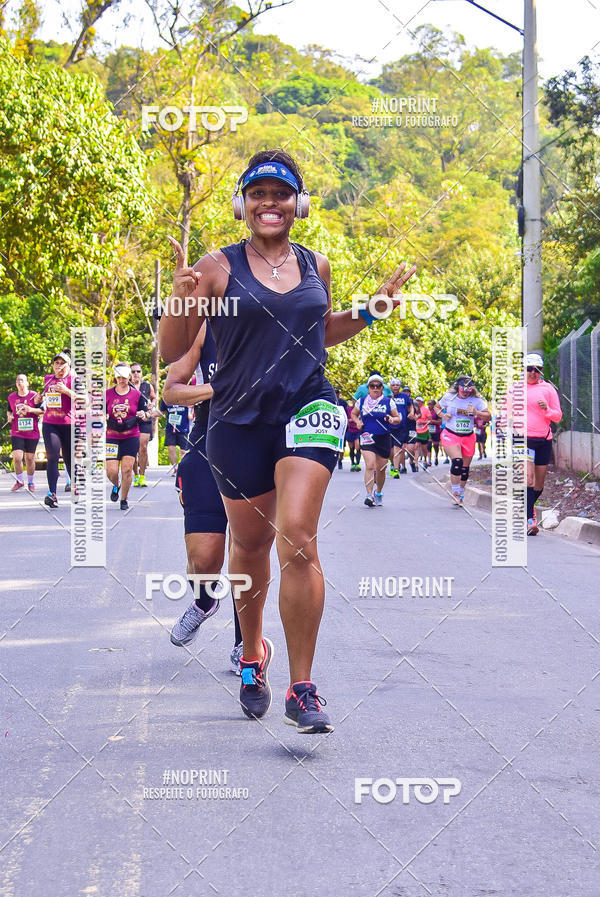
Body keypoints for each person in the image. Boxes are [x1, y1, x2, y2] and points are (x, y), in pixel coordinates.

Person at [159, 148, 416, 733]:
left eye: (280, 194)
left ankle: (303, 688)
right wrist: (179, 295)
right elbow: (174, 351)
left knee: (296, 540)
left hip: (309, 406)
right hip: (237, 419)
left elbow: (320, 332)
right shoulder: (217, 268)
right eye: (258, 194)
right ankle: (252, 658)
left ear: (297, 203)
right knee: (248, 548)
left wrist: (372, 310)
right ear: (243, 205)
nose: (269, 203)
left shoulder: (316, 265)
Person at [163, 320, 243, 672]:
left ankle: (246, 645)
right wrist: (217, 389)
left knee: (247, 552)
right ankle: (204, 602)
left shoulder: (279, 323)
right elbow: (171, 392)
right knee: (203, 559)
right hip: (207, 443)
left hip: (255, 446)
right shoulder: (204, 329)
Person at [435, 376, 491, 505]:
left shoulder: (477, 400)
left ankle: (460, 491)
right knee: (457, 461)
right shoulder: (449, 397)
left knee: (465, 469)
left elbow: (488, 416)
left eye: (468, 389)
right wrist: (443, 415)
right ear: (457, 387)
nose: (465, 392)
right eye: (463, 389)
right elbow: (437, 407)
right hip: (450, 434)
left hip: (468, 436)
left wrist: (477, 412)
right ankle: (455, 492)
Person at [524, 353, 562, 535]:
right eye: (529, 369)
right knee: (528, 479)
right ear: (524, 370)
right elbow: (505, 413)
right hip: (522, 440)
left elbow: (558, 416)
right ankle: (530, 520)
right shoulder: (515, 389)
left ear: (541, 371)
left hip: (543, 440)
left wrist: (546, 409)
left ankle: (526, 506)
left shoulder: (548, 389)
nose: (533, 373)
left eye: (537, 370)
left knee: (538, 485)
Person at [33, 350, 75, 509]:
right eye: (56, 363)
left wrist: (66, 391)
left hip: (69, 423)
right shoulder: (47, 379)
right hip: (50, 422)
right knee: (52, 456)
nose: (59, 366)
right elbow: (42, 401)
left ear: (68, 365)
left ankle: (75, 487)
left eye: (62, 363)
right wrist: (37, 400)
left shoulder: (73, 379)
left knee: (69, 458)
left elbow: (84, 399)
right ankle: (52, 494)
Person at [351, 374, 400, 506]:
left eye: (378, 386)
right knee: (370, 466)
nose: (375, 388)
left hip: (383, 437)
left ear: (382, 388)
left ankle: (378, 493)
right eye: (372, 386)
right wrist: (357, 422)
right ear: (368, 388)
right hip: (367, 437)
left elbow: (398, 418)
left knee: (381, 469)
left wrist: (392, 419)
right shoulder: (361, 401)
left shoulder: (388, 401)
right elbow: (353, 414)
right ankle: (368, 495)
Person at [105, 363, 148, 511]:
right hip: (112, 435)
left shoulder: (136, 394)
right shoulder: (107, 394)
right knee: (111, 471)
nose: (121, 380)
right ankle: (116, 485)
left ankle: (124, 499)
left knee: (127, 469)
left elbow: (146, 411)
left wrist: (144, 414)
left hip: (131, 435)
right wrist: (101, 416)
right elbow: (97, 411)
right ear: (115, 377)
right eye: (119, 377)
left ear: (129, 376)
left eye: (124, 377)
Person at [7, 374, 43, 492]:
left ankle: (31, 482)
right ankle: (19, 481)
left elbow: (42, 411)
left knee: (29, 458)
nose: (19, 383)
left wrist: (30, 409)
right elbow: (9, 410)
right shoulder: (11, 397)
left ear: (27, 383)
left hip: (32, 432)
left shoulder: (34, 396)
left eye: (22, 380)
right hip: (17, 431)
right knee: (17, 457)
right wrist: (9, 417)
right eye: (17, 381)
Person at [130, 364, 156, 487]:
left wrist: (152, 405)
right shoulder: (126, 385)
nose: (136, 374)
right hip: (131, 419)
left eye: (138, 371)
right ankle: (135, 475)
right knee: (133, 448)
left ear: (141, 373)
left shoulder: (147, 386)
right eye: (133, 371)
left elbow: (154, 398)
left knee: (143, 447)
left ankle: (142, 475)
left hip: (145, 418)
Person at [388, 379, 413, 477]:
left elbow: (410, 405)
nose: (395, 387)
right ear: (390, 386)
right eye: (393, 385)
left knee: (398, 448)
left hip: (401, 427)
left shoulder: (405, 396)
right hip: (389, 426)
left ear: (400, 386)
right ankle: (393, 463)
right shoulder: (386, 396)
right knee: (390, 450)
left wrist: (411, 412)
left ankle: (396, 469)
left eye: (397, 385)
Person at [160, 397, 191, 475]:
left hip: (183, 429)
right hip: (170, 428)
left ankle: (183, 468)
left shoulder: (186, 398)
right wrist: (150, 412)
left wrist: (192, 410)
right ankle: (175, 468)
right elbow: (161, 413)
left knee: (183, 451)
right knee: (171, 448)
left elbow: (191, 416)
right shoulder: (166, 398)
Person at [414, 395, 432, 468]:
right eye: (417, 401)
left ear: (422, 402)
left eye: (420, 401)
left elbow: (430, 420)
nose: (418, 403)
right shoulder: (413, 409)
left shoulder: (426, 409)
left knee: (424, 448)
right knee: (416, 446)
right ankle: (416, 463)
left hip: (424, 431)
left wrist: (423, 422)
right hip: (415, 431)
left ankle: (425, 460)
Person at [345, 398, 362, 471]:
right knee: (351, 447)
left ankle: (357, 464)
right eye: (354, 400)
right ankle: (352, 463)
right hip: (350, 430)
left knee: (358, 446)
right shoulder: (348, 409)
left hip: (357, 430)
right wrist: (351, 420)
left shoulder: (361, 409)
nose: (355, 402)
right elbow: (345, 418)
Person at [427, 400, 442, 465]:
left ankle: (436, 457)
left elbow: (440, 422)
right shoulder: (426, 411)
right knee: (429, 445)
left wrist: (432, 421)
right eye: (428, 404)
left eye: (430, 404)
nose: (429, 406)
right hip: (428, 430)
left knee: (436, 445)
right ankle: (429, 460)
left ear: (434, 405)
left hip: (436, 430)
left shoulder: (437, 412)